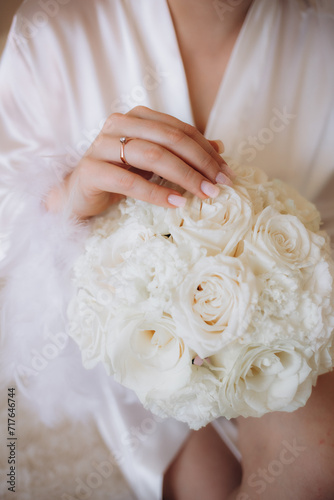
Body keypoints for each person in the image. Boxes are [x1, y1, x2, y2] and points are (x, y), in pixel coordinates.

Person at [0, 0, 334, 498]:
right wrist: (68, 198)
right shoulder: (54, 31)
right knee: (209, 485)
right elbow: (11, 241)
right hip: (143, 345)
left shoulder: (322, 43)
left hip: (280, 339)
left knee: (309, 469)